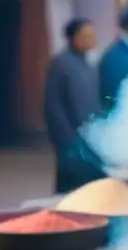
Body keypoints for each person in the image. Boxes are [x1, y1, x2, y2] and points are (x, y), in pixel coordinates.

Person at [44, 18, 105, 194]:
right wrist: (66, 139)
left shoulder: (90, 64)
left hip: (90, 136)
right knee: (71, 189)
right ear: (74, 38)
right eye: (86, 35)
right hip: (71, 139)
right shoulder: (61, 63)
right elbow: (53, 105)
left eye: (93, 35)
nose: (92, 39)